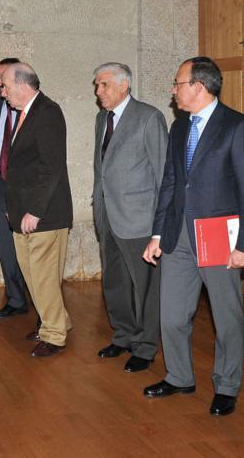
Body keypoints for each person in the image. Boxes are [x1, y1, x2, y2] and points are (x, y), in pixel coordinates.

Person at [142, 56, 244, 416]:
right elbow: (170, 183)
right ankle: (179, 375)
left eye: (177, 83)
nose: (173, 90)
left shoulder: (237, 127)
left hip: (220, 239)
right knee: (172, 314)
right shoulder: (179, 127)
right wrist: (157, 233)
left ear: (198, 86)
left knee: (227, 317)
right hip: (178, 236)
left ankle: (227, 385)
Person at [92, 62, 167, 372]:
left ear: (124, 86)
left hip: (139, 219)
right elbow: (103, 169)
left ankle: (147, 345)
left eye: (104, 85)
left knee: (145, 287)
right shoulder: (101, 119)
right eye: (96, 86)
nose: (98, 92)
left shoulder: (149, 117)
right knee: (114, 281)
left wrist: (159, 228)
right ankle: (123, 335)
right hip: (107, 215)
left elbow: (164, 174)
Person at [0, 62, 73, 357]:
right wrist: (13, 208)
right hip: (22, 212)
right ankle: (56, 321)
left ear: (22, 84)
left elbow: (51, 168)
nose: (2, 91)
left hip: (45, 215)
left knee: (43, 277)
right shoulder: (25, 113)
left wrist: (35, 211)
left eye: (4, 85)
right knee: (33, 276)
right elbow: (20, 168)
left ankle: (55, 335)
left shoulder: (47, 113)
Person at [0, 57, 30, 319]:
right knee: (6, 245)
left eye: (2, 77)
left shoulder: (30, 109)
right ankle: (15, 299)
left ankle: (38, 301)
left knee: (29, 247)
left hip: (23, 188)